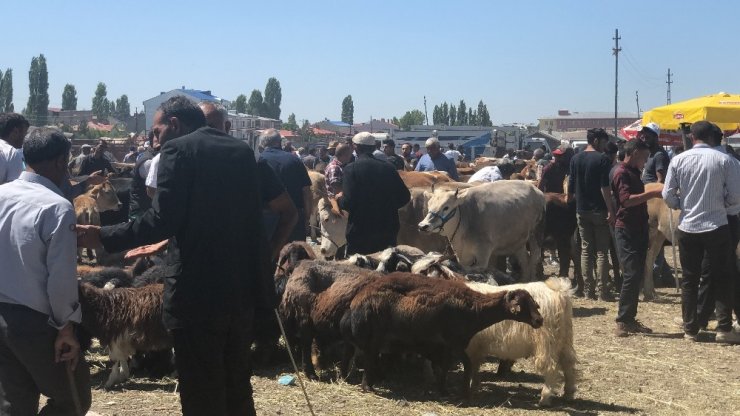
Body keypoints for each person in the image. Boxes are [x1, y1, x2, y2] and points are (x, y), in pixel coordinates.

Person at [77, 96, 272, 413]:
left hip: (198, 294)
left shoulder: (177, 151)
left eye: (156, 131)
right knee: (236, 382)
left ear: (174, 124)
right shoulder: (240, 151)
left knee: (200, 389)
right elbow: (253, 221)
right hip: (242, 290)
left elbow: (160, 221)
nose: (154, 139)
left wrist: (103, 237)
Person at [0, 128, 91, 415]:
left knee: (14, 403)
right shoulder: (57, 208)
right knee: (73, 400)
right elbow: (61, 279)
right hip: (36, 324)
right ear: (61, 162)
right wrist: (66, 328)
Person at [663, 121, 740, 344]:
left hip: (688, 226)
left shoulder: (678, 160)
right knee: (723, 275)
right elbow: (736, 197)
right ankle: (724, 328)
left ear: (693, 136)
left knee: (689, 278)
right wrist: (721, 206)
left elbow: (667, 195)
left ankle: (691, 328)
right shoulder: (726, 160)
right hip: (717, 225)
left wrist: (682, 204)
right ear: (713, 137)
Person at [611, 139, 663, 337]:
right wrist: (652, 193)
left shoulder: (631, 172)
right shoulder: (621, 173)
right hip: (627, 229)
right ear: (633, 153)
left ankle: (629, 318)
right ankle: (623, 320)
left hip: (637, 228)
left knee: (635, 274)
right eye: (644, 157)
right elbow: (625, 201)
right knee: (631, 274)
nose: (645, 161)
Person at [339, 132, 410, 255]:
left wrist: (339, 199)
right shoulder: (389, 168)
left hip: (360, 233)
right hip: (387, 231)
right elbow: (404, 197)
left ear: (356, 147)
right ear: (373, 147)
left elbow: (347, 203)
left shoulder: (351, 169)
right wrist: (387, 208)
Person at [568, 128, 617, 300]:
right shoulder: (603, 159)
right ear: (596, 140)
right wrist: (611, 210)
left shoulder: (575, 158)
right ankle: (602, 291)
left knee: (586, 250)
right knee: (602, 251)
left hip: (581, 209)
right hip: (599, 209)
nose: (605, 146)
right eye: (604, 142)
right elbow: (605, 187)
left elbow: (571, 186)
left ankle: (588, 290)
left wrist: (570, 203)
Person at [259, 129, 312, 242]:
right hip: (295, 220)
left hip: (268, 220)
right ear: (279, 142)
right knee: (295, 257)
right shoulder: (295, 160)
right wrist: (307, 218)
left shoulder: (259, 161)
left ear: (261, 145)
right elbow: (307, 192)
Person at [0, 112, 29, 184]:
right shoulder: (11, 153)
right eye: (25, 133)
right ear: (15, 132)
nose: (26, 138)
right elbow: (14, 190)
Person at [324, 143, 352, 216]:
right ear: (344, 154)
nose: (350, 156)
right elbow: (336, 187)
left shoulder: (339, 166)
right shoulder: (335, 167)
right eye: (349, 154)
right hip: (336, 201)